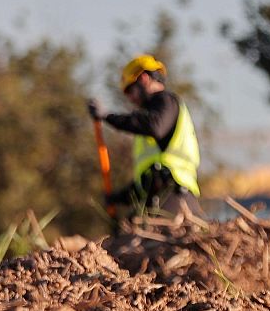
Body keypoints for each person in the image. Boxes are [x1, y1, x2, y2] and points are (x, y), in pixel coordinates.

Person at [86, 54, 202, 218]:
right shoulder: (147, 125)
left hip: (176, 198)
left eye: (130, 90)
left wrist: (108, 116)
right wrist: (117, 198)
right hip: (158, 197)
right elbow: (146, 182)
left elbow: (155, 126)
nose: (130, 98)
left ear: (144, 79)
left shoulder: (166, 102)